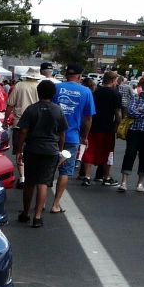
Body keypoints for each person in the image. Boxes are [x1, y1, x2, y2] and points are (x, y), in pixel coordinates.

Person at [15, 79, 67, 228]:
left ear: (38, 93)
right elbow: (62, 133)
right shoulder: (58, 110)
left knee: (30, 182)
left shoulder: (31, 109)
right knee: (43, 183)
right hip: (50, 150)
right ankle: (37, 217)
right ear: (53, 94)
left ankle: (26, 213)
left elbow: (23, 131)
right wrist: (60, 150)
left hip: (32, 148)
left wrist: (19, 150)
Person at [50, 63, 95, 213]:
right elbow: (88, 118)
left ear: (66, 75)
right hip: (71, 136)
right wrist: (84, 137)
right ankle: (55, 204)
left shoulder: (55, 88)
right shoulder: (86, 91)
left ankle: (41, 202)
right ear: (80, 76)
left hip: (52, 135)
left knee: (47, 169)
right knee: (65, 171)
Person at [80, 71, 122, 186]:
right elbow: (118, 113)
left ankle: (86, 176)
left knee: (89, 151)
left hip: (93, 126)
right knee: (108, 152)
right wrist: (118, 126)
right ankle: (106, 177)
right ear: (113, 80)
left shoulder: (95, 92)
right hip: (107, 127)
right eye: (116, 80)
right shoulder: (116, 94)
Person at [6, 67, 40, 188]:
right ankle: (32, 175)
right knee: (34, 151)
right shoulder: (40, 87)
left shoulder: (19, 86)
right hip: (36, 124)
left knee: (19, 150)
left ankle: (22, 178)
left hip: (19, 123)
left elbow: (10, 104)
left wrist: (5, 120)